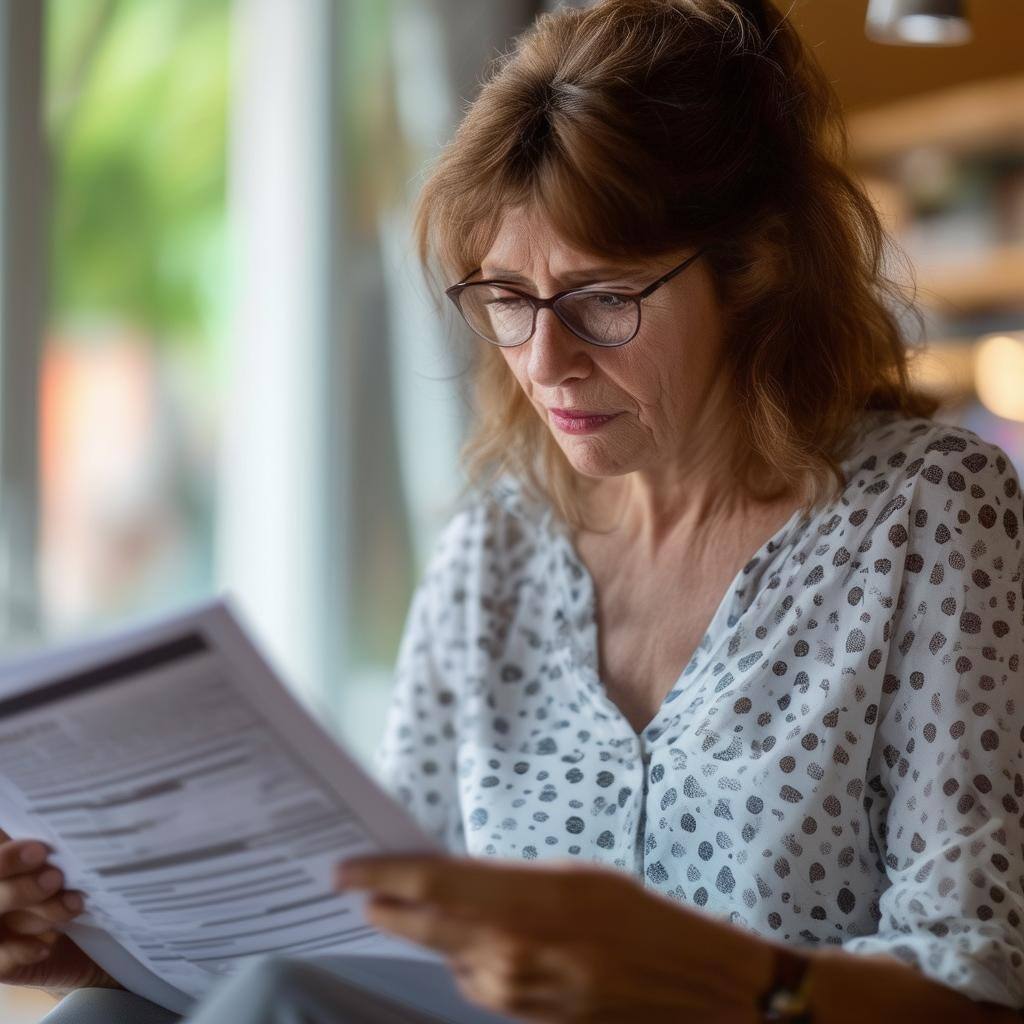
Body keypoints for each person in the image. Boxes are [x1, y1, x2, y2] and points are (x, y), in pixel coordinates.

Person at [5, 0, 1023, 1021]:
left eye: (602, 298)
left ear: (755, 267)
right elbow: (377, 944)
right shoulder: (496, 540)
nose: (543, 361)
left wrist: (708, 976)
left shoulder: (928, 513)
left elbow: (977, 987)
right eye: (504, 297)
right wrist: (99, 951)